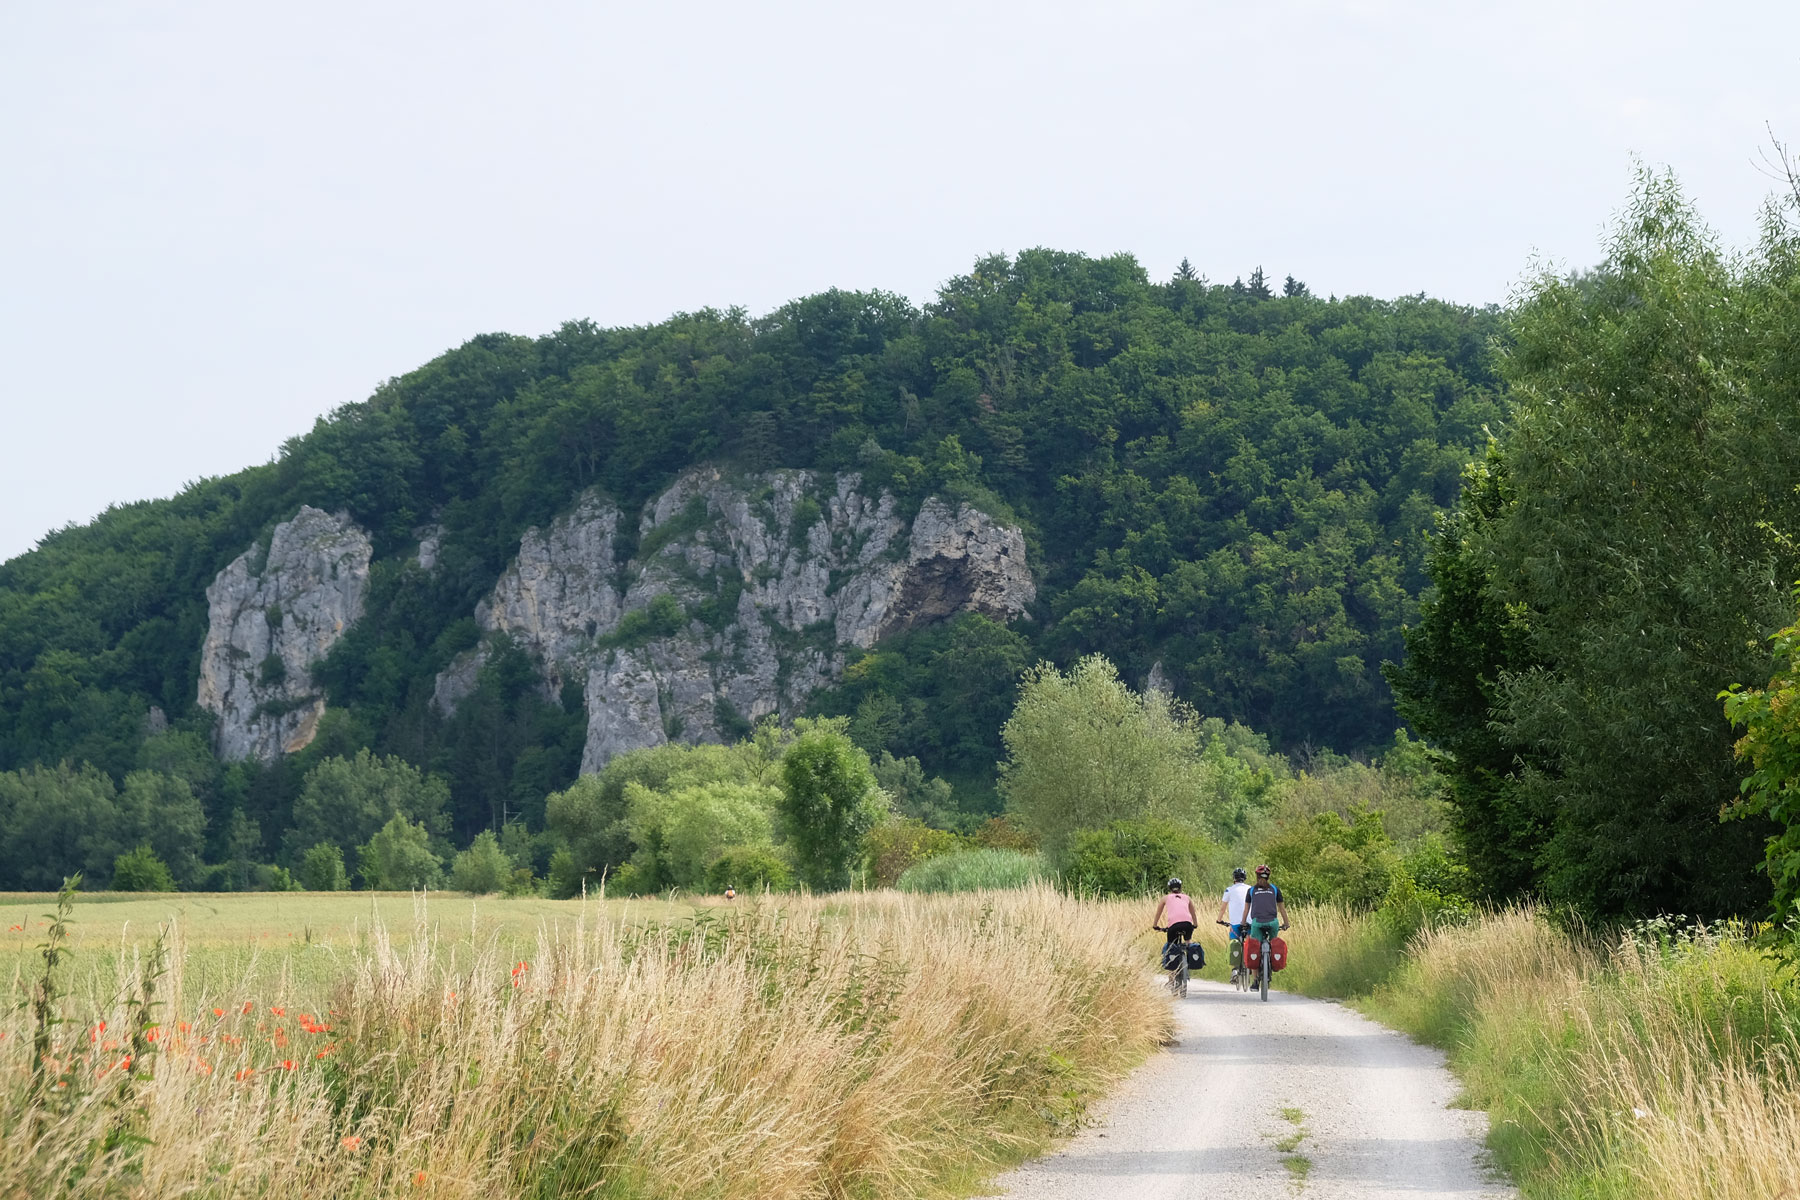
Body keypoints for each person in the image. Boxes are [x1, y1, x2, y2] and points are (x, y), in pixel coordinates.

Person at [1216, 867, 1252, 983]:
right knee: (1250, 941)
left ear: (1234, 879)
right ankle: (1251, 964)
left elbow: (1223, 908)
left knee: (1234, 942)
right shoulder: (1251, 889)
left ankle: (1235, 969)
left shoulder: (1229, 890)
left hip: (1236, 923)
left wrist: (1219, 920)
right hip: (1249, 922)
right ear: (1244, 878)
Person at [1243, 864, 1290, 949]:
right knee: (1274, 946)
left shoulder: (1251, 890)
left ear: (1257, 876)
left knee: (1255, 948)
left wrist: (1243, 923)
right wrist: (1286, 923)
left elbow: (1246, 909)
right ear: (1268, 877)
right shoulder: (1275, 889)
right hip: (1273, 922)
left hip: (1257, 922)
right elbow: (1282, 909)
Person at [1150, 877, 1198, 955]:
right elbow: (1193, 913)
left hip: (1173, 926)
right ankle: (1191, 960)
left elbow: (1158, 913)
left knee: (1172, 946)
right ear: (1180, 887)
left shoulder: (1165, 898)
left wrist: (1155, 925)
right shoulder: (1187, 897)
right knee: (1188, 942)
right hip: (1187, 924)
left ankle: (1174, 963)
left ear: (1170, 888)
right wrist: (1195, 925)